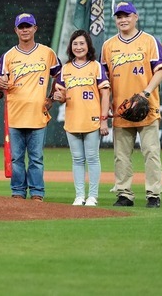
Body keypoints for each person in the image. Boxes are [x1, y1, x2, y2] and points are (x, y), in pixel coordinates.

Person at [101, 2, 162, 208]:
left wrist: (145, 93)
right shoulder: (108, 45)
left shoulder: (149, 41)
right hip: (121, 109)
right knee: (121, 156)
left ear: (135, 17)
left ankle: (153, 195)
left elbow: (161, 70)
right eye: (119, 16)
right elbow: (104, 80)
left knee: (151, 153)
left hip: (147, 106)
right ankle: (124, 194)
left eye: (127, 15)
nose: (123, 19)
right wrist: (108, 103)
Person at [0, 13, 61, 201]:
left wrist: (51, 98)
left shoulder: (47, 53)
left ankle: (37, 193)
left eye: (28, 26)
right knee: (16, 159)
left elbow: (60, 75)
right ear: (16, 30)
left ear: (35, 28)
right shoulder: (9, 55)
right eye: (21, 27)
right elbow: (0, 79)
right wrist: (0, 82)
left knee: (36, 159)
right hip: (15, 114)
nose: (25, 30)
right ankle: (17, 191)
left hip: (37, 114)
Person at [53, 29, 109, 207]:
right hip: (72, 120)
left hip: (92, 119)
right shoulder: (66, 69)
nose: (78, 47)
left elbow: (105, 94)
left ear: (88, 46)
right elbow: (60, 95)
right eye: (75, 44)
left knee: (92, 158)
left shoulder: (96, 66)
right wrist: (59, 97)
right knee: (77, 159)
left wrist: (103, 119)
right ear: (71, 47)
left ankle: (92, 196)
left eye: (82, 43)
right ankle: (79, 195)